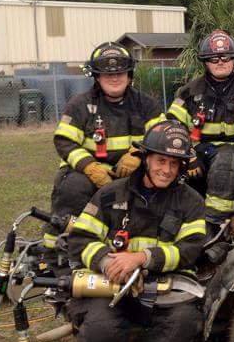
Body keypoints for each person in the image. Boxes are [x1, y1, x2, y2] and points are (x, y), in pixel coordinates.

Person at [67, 121, 207, 342]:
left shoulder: (191, 202)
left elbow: (190, 249)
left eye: (174, 164)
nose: (166, 170)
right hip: (112, 284)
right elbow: (81, 239)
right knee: (97, 324)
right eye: (160, 161)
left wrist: (142, 259)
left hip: (163, 285)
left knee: (183, 320)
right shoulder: (110, 195)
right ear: (146, 159)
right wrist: (107, 262)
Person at [46, 42, 162, 261]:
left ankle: (135, 247)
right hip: (87, 172)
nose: (114, 78)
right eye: (107, 74)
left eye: (120, 72)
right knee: (73, 187)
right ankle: (57, 250)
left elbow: (161, 136)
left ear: (129, 75)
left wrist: (138, 154)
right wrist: (89, 167)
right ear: (96, 77)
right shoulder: (79, 105)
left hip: (131, 173)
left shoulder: (147, 105)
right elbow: (64, 141)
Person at [168, 30, 234, 229]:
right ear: (205, 61)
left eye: (225, 56)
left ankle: (214, 224)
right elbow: (171, 126)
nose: (220, 61)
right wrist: (188, 155)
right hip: (200, 151)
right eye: (213, 57)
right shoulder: (189, 91)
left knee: (226, 158)